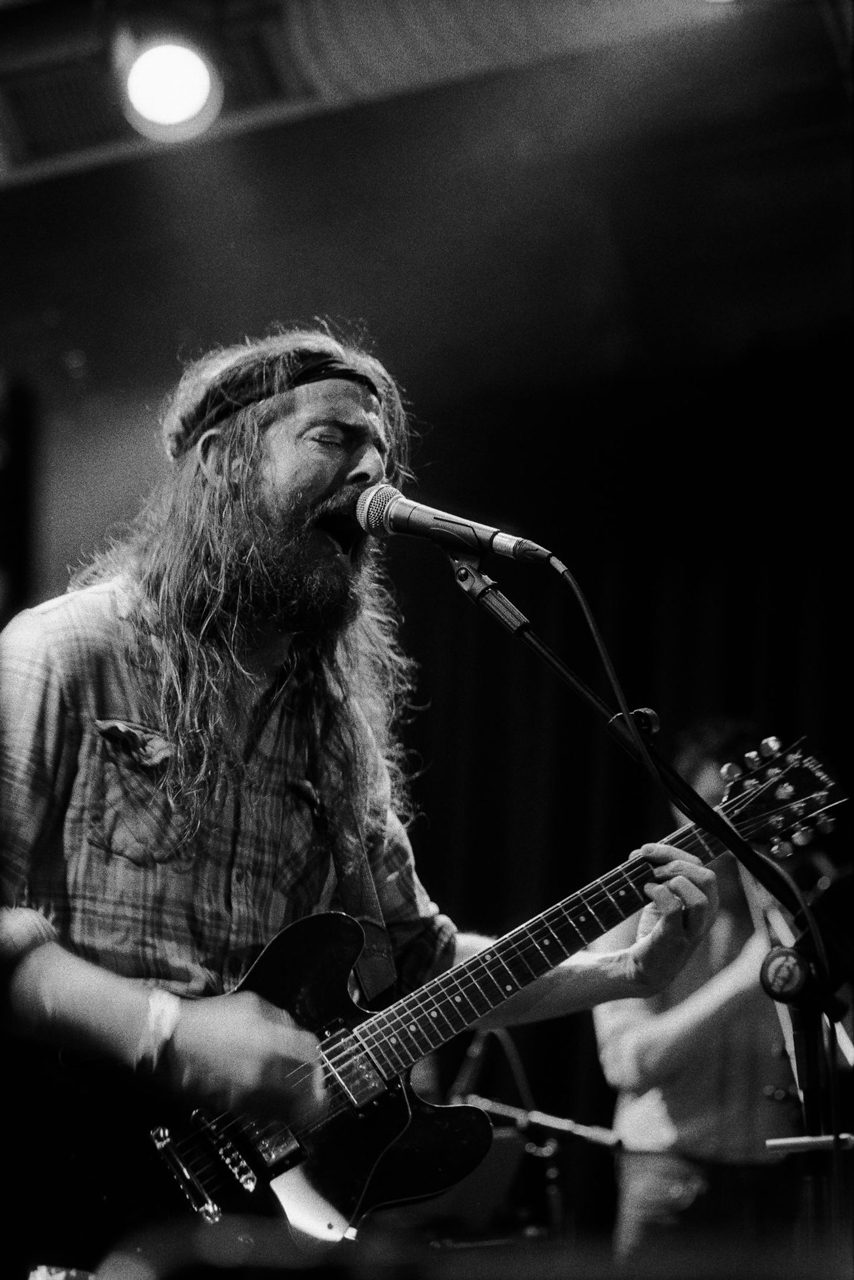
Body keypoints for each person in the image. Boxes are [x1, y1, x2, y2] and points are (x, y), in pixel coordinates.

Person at [0, 326, 718, 1279]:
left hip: (239, 1221)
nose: (373, 472)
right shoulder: (63, 654)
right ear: (221, 462)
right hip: (55, 1178)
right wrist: (168, 1033)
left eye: (383, 451)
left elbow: (422, 966)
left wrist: (626, 968)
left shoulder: (337, 738)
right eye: (334, 439)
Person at [590, 715, 809, 1275]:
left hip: (778, 1188)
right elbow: (627, 1062)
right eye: (706, 809)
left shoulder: (795, 915)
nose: (723, 832)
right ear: (675, 813)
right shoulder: (632, 916)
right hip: (668, 1181)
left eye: (740, 812)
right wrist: (745, 979)